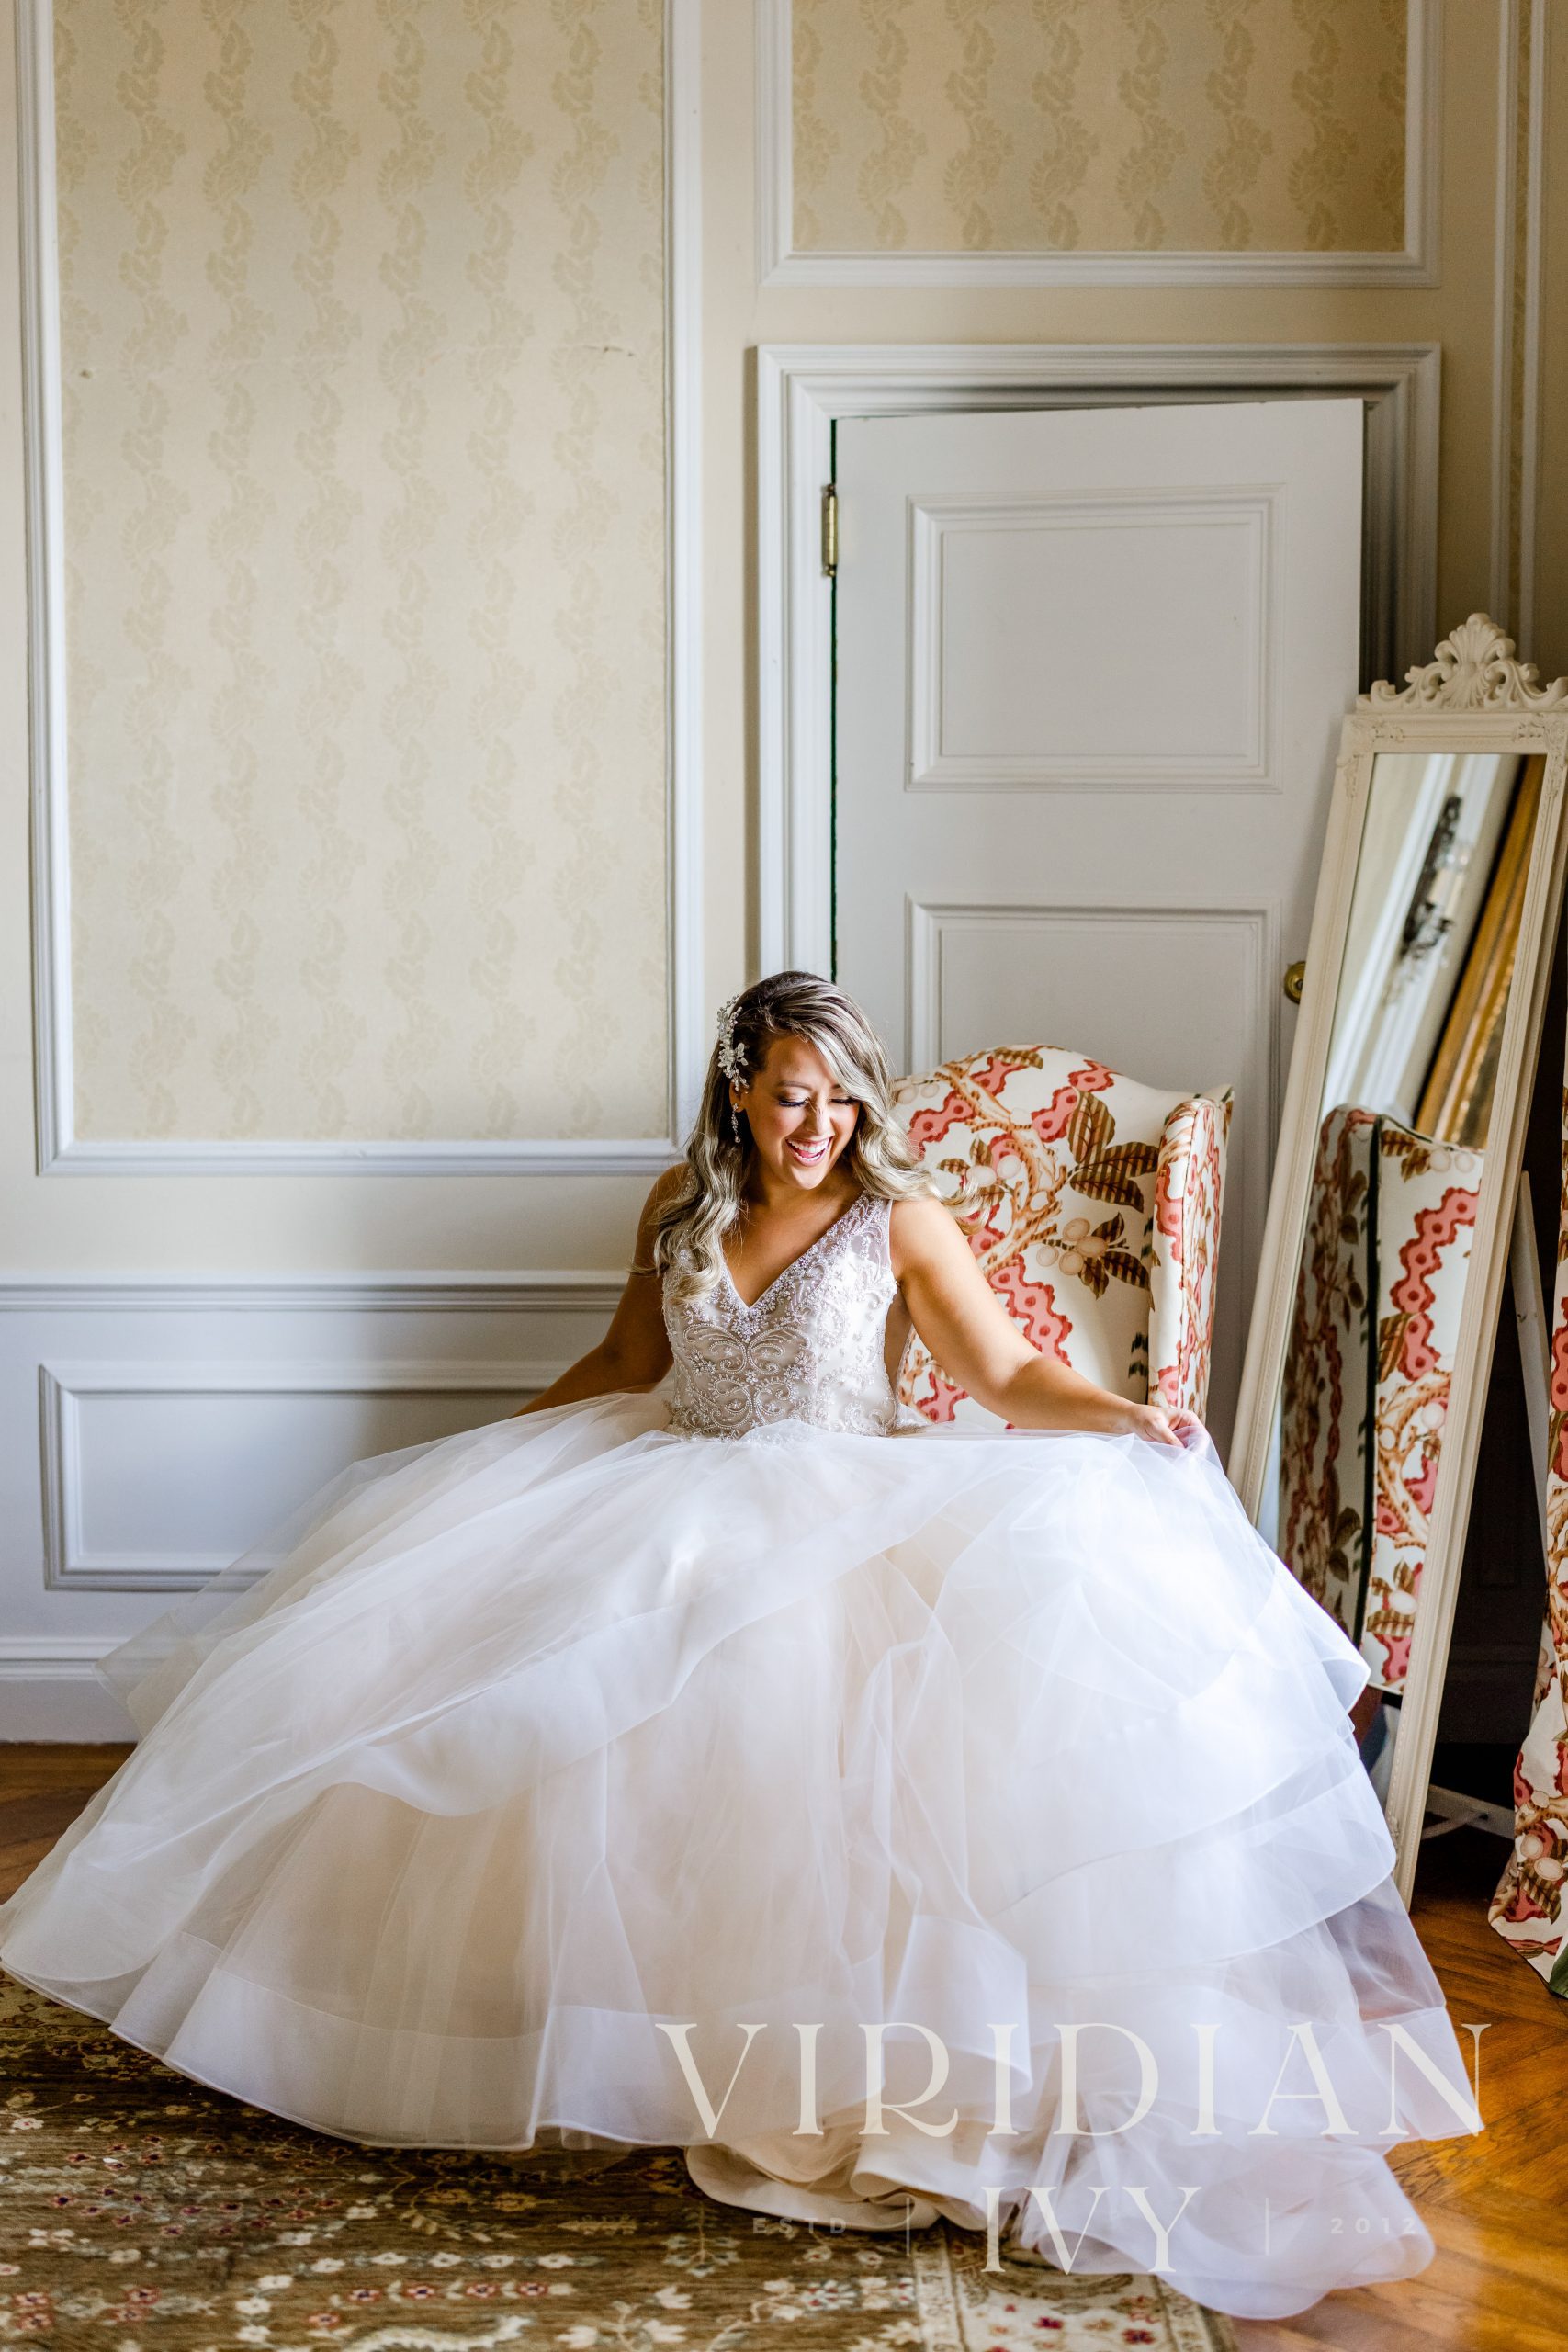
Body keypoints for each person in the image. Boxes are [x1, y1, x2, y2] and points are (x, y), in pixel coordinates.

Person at [0, 971, 1480, 2323]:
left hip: (845, 1513)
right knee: (554, 1745)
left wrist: (1125, 1415)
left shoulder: (898, 1219)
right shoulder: (680, 1206)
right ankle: (600, 2039)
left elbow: (1004, 1368)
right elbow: (624, 1364)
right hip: (669, 1494)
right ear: (738, 1094)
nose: (818, 1126)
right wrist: (470, 1474)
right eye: (791, 1097)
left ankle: (822, 2062)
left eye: (840, 1100)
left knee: (805, 1775)